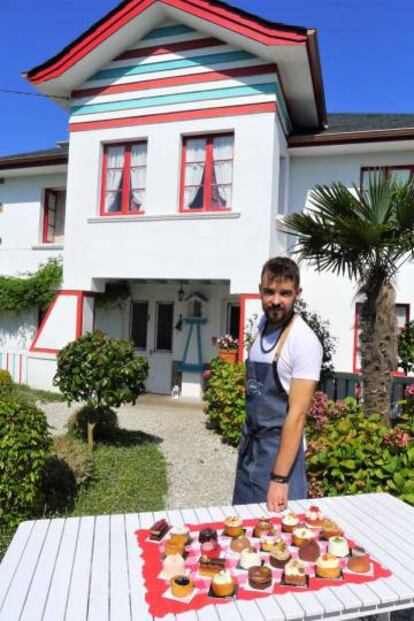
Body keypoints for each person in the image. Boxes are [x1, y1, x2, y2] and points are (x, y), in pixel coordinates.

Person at [232, 257, 323, 512]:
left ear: (297, 294)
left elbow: (297, 415)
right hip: (250, 450)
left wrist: (279, 479)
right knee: (241, 532)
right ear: (260, 290)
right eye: (269, 292)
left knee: (277, 540)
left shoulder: (304, 341)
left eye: (285, 293)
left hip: (280, 456)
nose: (275, 301)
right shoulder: (260, 326)